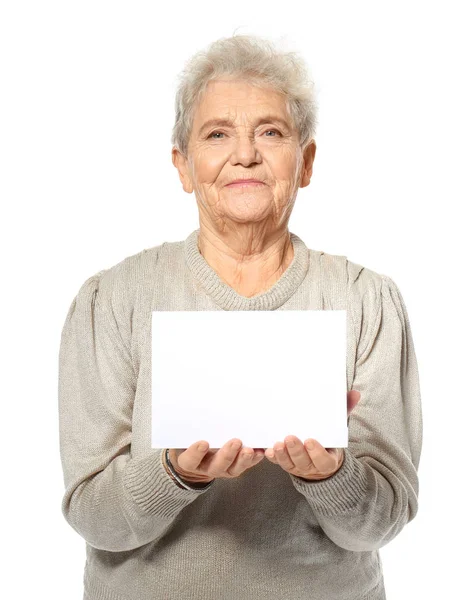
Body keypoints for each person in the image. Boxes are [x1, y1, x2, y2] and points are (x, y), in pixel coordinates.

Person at [58, 34, 423, 600]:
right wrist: (176, 474)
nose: (246, 154)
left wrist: (330, 477)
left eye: (270, 133)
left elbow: (383, 519)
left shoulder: (366, 300)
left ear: (305, 163)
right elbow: (90, 514)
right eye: (217, 134)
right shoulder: (113, 299)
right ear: (184, 166)